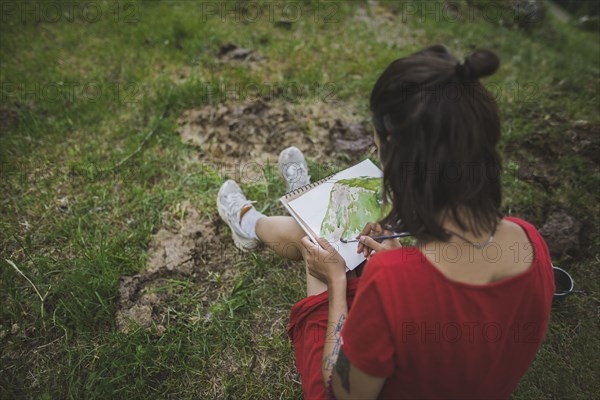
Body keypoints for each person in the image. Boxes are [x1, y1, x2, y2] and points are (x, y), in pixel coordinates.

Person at [216, 45, 555, 400]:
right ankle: (286, 211)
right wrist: (402, 259)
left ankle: (256, 222)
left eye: (377, 146)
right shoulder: (529, 240)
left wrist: (335, 284)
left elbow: (342, 392)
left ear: (395, 151)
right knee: (323, 242)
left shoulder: (393, 280)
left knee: (318, 249)